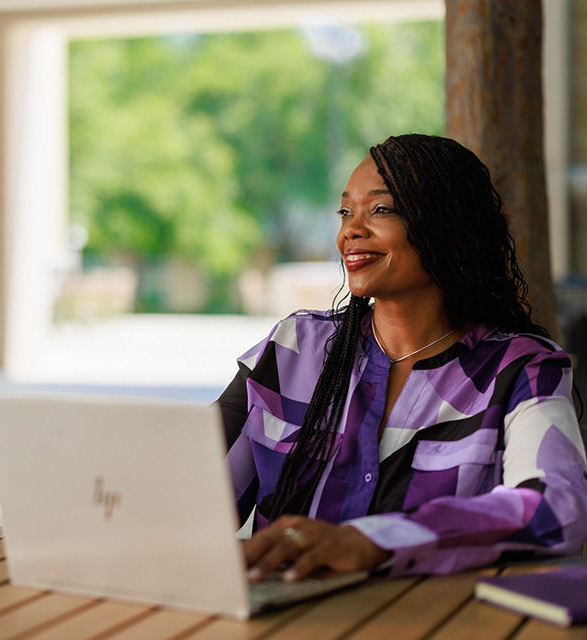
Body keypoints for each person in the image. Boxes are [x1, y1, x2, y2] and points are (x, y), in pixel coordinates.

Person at [217, 133, 587, 583]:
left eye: (380, 210)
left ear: (446, 226)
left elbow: (557, 507)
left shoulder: (519, 369)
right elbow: (193, 491)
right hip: (281, 618)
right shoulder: (294, 349)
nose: (351, 229)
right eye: (345, 211)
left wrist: (377, 540)